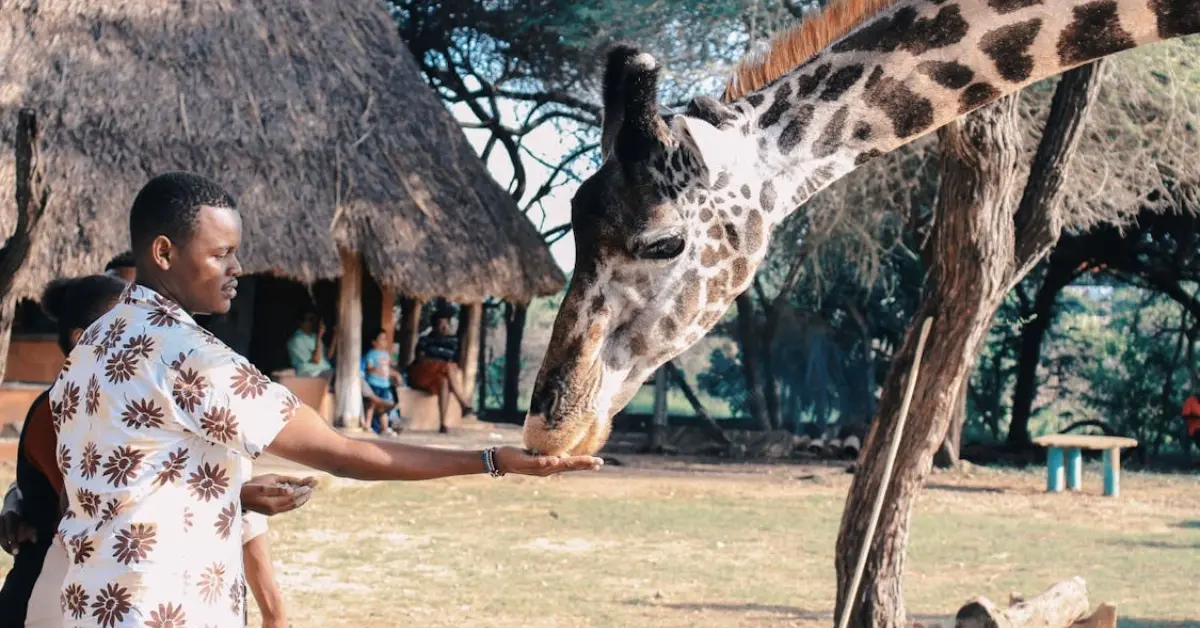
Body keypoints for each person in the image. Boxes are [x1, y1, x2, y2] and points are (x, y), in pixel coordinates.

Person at [47, 171, 602, 627]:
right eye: (221, 254)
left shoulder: (94, 344)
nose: (237, 268)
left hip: (92, 603)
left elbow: (129, 481)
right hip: (166, 609)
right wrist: (491, 460)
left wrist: (230, 494)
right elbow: (341, 453)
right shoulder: (188, 355)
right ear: (164, 252)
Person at [0, 273, 314, 628]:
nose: (144, 327)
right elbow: (102, 506)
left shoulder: (160, 402)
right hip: (54, 602)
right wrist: (237, 497)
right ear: (83, 338)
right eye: (124, 320)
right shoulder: (63, 409)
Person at [407, 305, 476, 433]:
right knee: (448, 366)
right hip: (422, 375)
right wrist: (439, 364)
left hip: (437, 377)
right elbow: (421, 360)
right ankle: (463, 403)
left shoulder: (453, 341)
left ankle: (443, 424)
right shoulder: (425, 340)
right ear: (434, 326)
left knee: (444, 381)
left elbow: (455, 362)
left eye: (446, 324)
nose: (444, 327)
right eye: (441, 324)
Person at [362, 328, 402, 436]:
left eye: (385, 339)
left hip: (384, 385)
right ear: (374, 342)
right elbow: (368, 368)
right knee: (371, 404)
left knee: (384, 408)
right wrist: (374, 369)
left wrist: (395, 374)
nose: (384, 341)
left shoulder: (385, 354)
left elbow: (387, 369)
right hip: (374, 384)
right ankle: (367, 426)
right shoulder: (371, 354)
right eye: (381, 339)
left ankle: (384, 428)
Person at [287, 308, 336, 380]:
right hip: (310, 373)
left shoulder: (314, 337)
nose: (313, 323)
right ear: (300, 322)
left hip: (325, 371)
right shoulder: (296, 340)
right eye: (310, 320)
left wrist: (336, 335)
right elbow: (316, 360)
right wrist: (319, 337)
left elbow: (328, 356)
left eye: (314, 320)